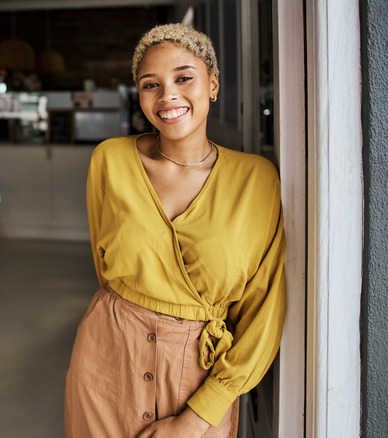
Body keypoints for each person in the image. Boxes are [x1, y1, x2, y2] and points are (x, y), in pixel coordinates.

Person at [64, 23, 286, 438]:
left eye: (184, 78)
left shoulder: (257, 180)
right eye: (151, 84)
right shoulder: (110, 160)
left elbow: (263, 311)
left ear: (213, 84)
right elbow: (105, 262)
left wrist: (199, 416)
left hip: (197, 378)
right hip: (107, 358)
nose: (167, 95)